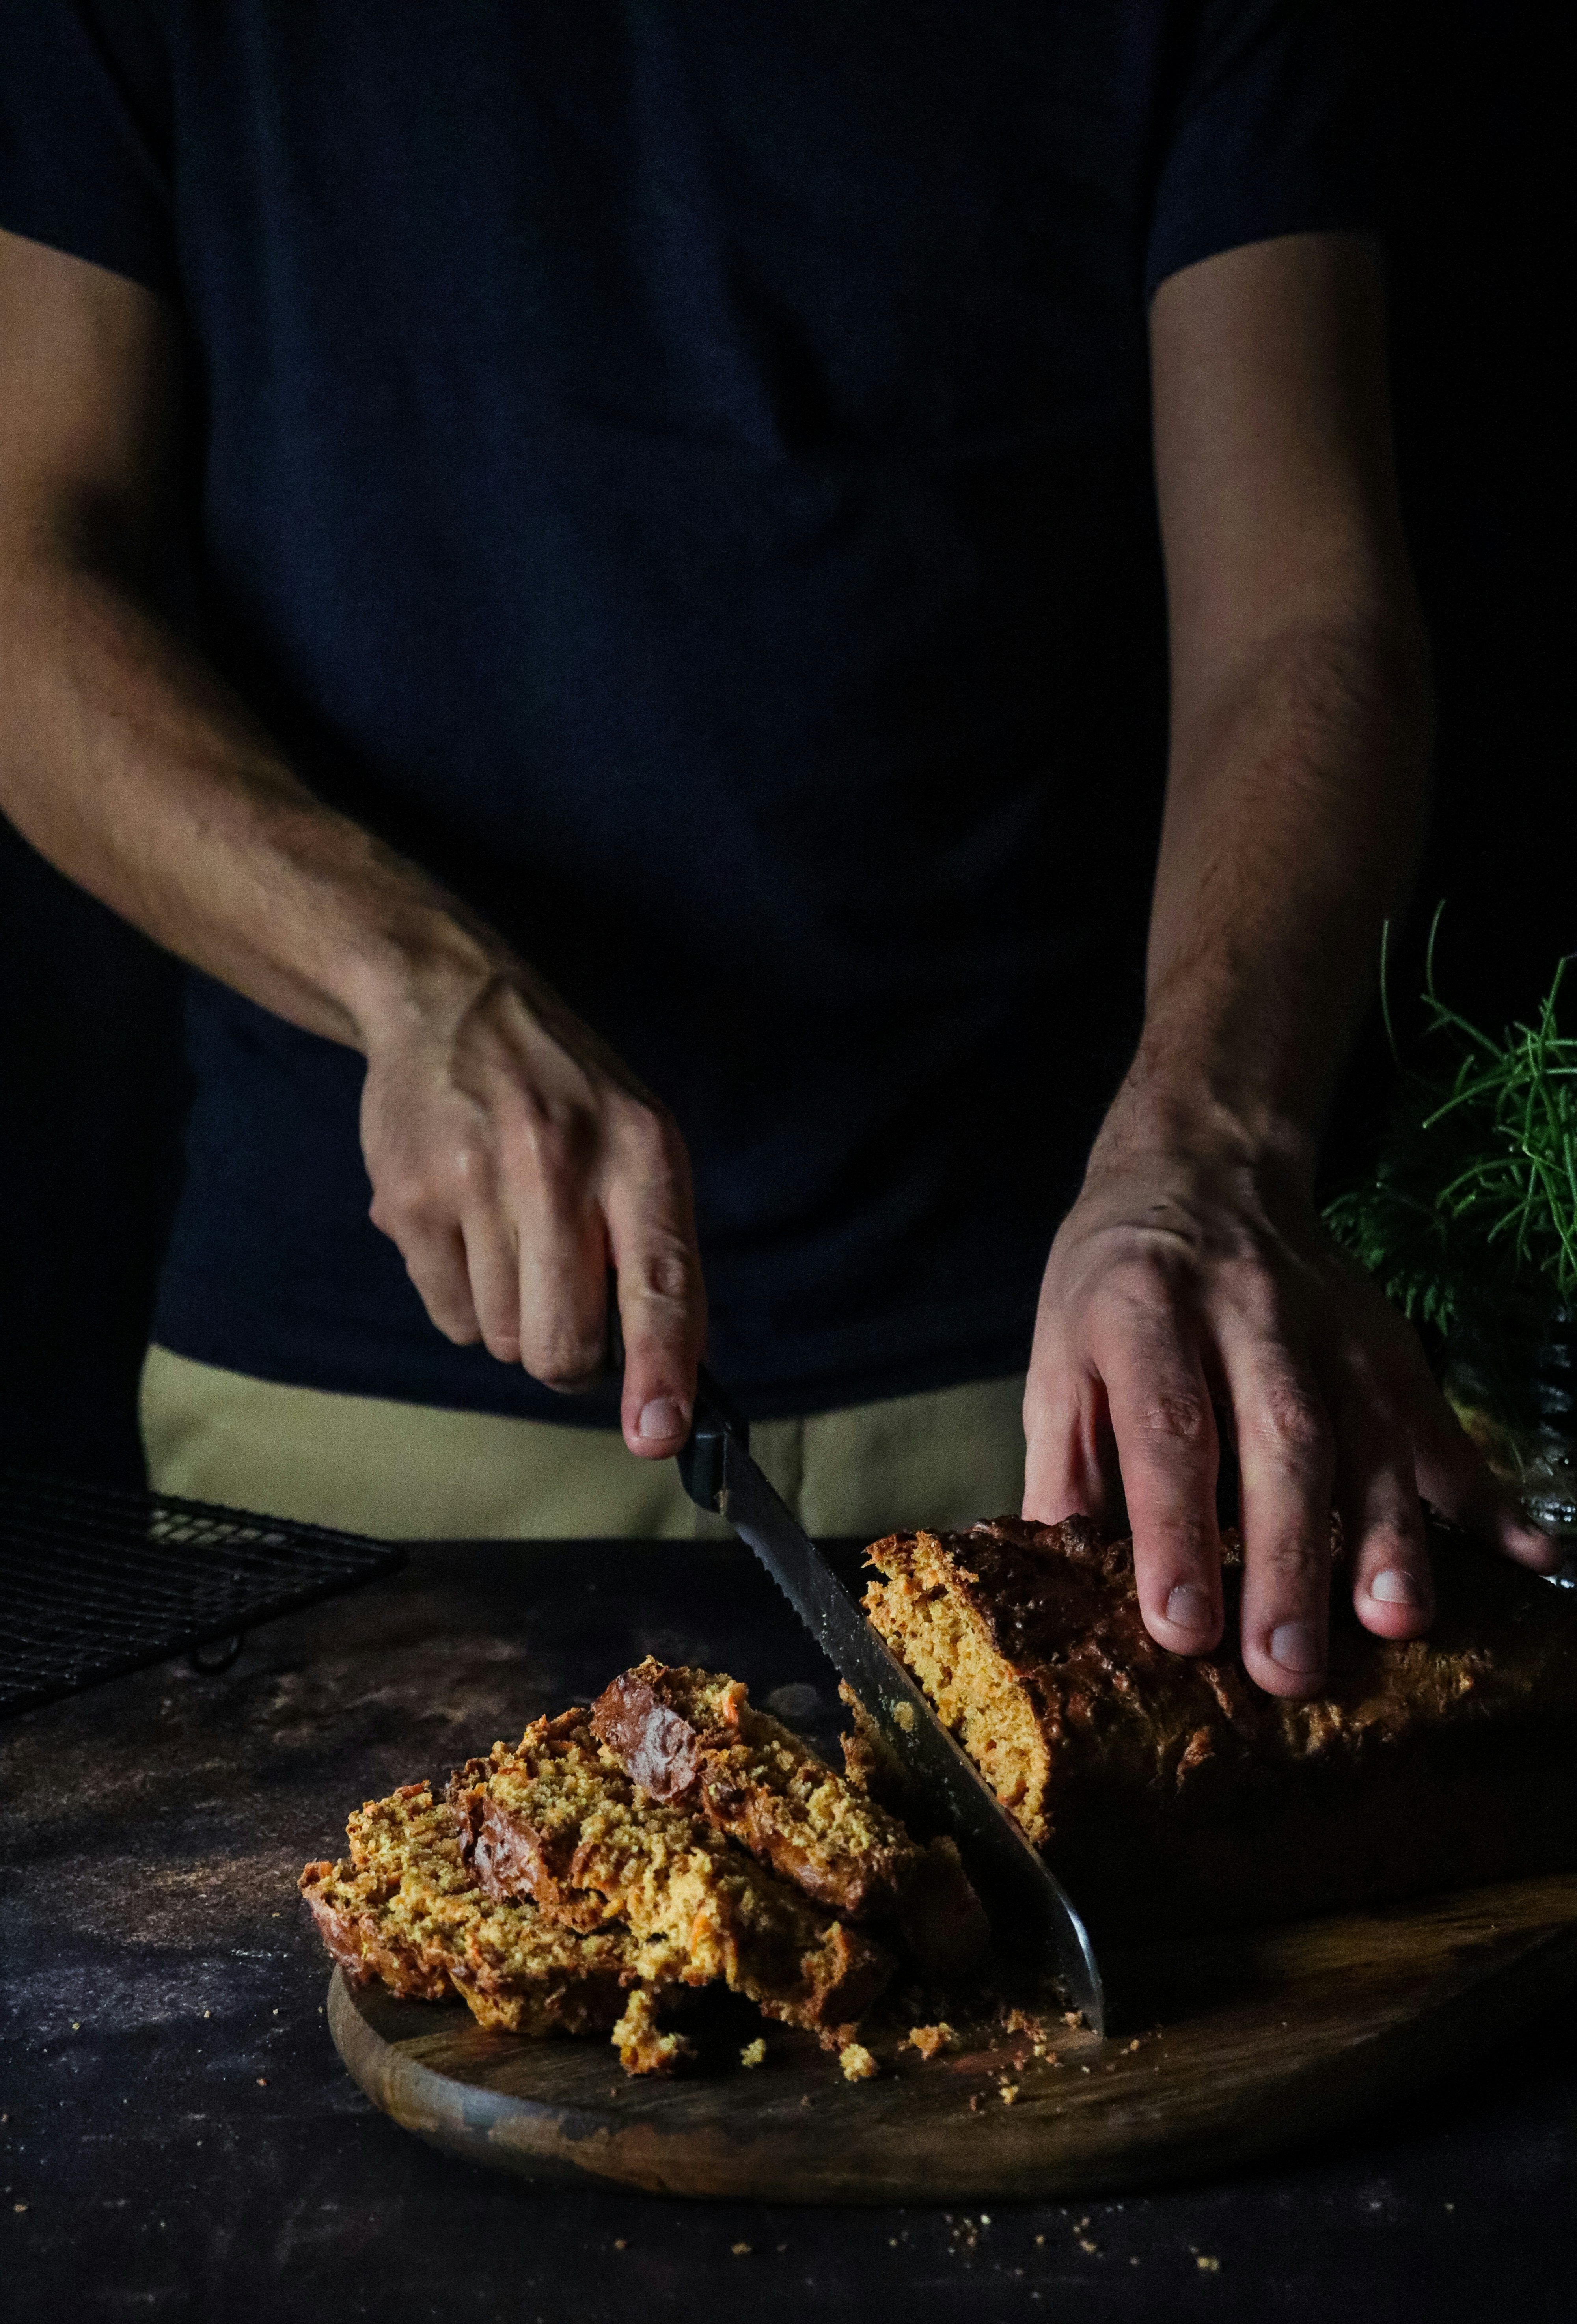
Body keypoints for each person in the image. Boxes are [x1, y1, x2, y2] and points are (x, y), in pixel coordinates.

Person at [0, 1, 1558, 1702]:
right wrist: (410, 984)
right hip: (368, 1405)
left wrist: (1207, 1143)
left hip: (1065, 1390)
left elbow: (1301, 615)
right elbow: (25, 574)